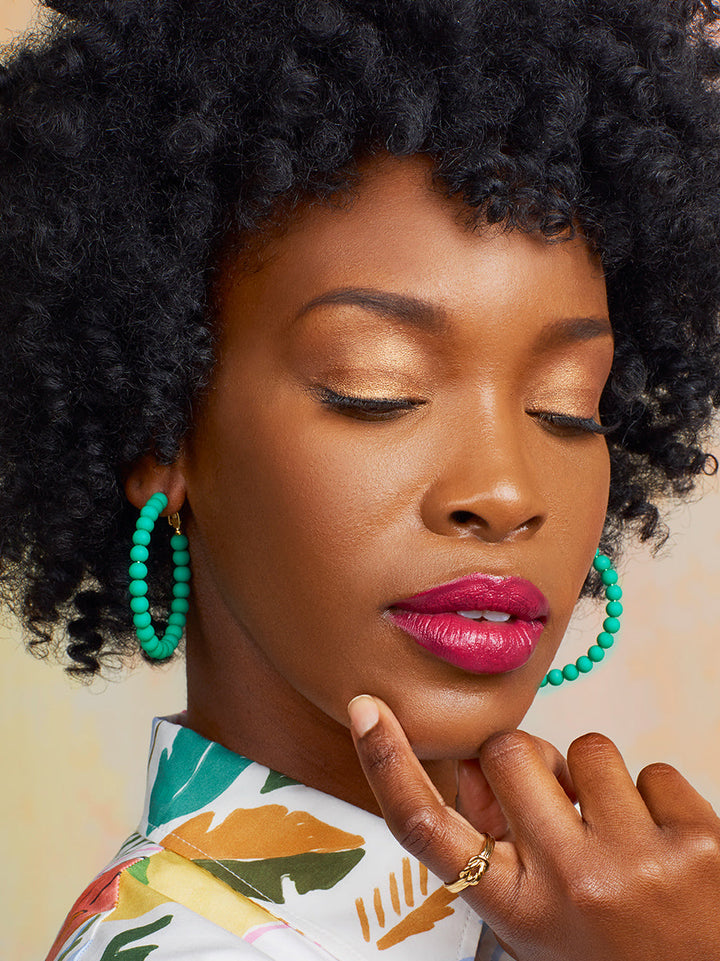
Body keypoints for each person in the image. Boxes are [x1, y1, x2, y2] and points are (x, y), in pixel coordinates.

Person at [2, 0, 720, 958]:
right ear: (160, 434)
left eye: (567, 406)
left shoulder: (572, 921)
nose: (506, 492)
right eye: (376, 389)